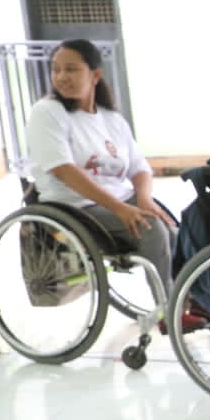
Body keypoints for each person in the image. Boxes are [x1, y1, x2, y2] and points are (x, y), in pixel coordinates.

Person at [25, 39, 183, 311]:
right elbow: (64, 169)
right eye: (56, 69)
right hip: (74, 206)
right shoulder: (48, 112)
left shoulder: (111, 118)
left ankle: (192, 298)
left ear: (95, 75)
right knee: (153, 231)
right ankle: (170, 311)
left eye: (71, 69)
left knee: (174, 227)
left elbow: (139, 168)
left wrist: (144, 200)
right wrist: (120, 209)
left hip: (118, 200)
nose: (62, 77)